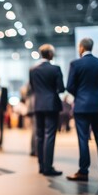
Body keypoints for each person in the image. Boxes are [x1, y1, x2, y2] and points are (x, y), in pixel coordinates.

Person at [66, 38, 98, 181]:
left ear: (81, 48)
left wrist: (80, 96)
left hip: (81, 107)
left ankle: (83, 171)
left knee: (83, 139)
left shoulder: (75, 64)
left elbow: (69, 86)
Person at [29, 44, 65, 176]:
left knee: (39, 136)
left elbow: (32, 88)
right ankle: (48, 167)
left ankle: (41, 166)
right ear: (50, 54)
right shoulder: (55, 69)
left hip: (38, 105)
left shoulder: (33, 69)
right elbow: (61, 88)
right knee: (49, 135)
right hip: (51, 105)